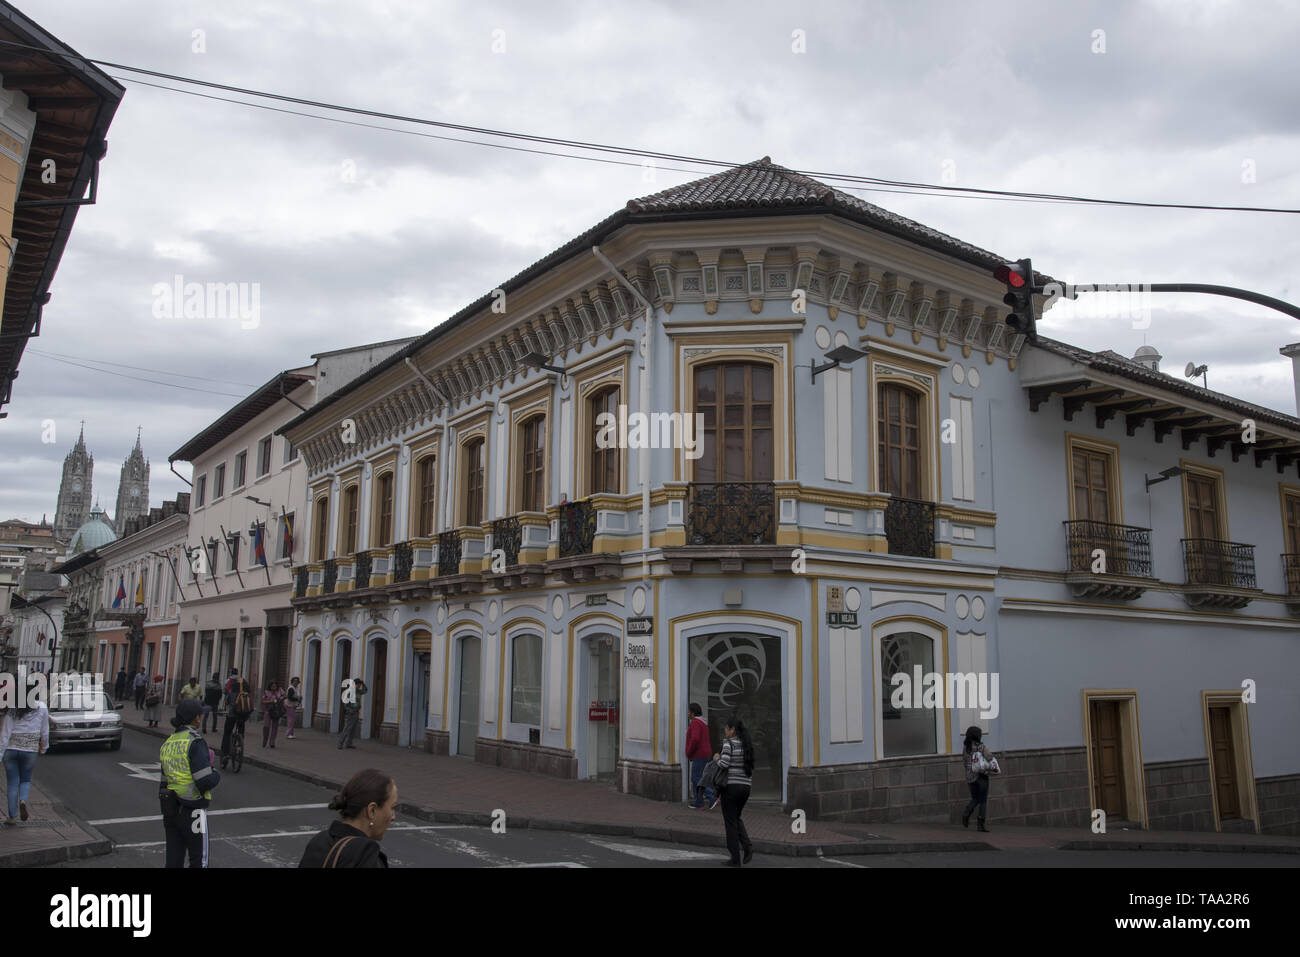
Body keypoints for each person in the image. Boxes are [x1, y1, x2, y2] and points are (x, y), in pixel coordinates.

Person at [158, 699, 221, 867]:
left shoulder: (168, 742)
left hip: (170, 808)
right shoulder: (195, 741)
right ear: (197, 718)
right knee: (199, 859)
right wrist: (215, 773)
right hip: (193, 810)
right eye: (200, 715)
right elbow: (205, 780)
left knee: (173, 860)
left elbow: (164, 782)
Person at [298, 768, 396, 868]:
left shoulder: (319, 841)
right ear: (372, 810)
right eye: (392, 807)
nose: (393, 816)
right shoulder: (365, 855)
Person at [0, 676, 49, 825]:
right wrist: (45, 747)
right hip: (30, 750)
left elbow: (5, 734)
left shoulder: (13, 709)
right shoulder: (42, 707)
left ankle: (12, 816)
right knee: (26, 780)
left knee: (12, 783)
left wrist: (0, 754)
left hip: (11, 749)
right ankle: (23, 801)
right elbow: (45, 731)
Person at [714, 715, 754, 866]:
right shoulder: (747, 745)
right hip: (746, 787)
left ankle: (735, 858)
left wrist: (716, 758)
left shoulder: (728, 743)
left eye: (726, 728)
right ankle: (748, 847)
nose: (725, 731)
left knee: (730, 822)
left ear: (732, 730)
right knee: (736, 818)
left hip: (731, 787)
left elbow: (724, 763)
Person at [961, 725, 999, 833]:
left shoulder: (965, 748)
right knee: (983, 800)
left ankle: (967, 812)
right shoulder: (980, 746)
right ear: (977, 736)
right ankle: (980, 824)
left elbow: (964, 762)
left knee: (975, 798)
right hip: (981, 776)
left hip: (969, 777)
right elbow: (989, 757)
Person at [220, 669, 253, 764]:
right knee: (241, 728)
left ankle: (225, 753)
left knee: (227, 732)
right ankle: (240, 744)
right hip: (244, 713)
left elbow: (227, 699)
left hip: (233, 713)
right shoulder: (244, 683)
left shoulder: (231, 684)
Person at [685, 702, 714, 809]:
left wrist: (689, 752)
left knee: (696, 778)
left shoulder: (695, 723)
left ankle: (711, 796)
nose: (687, 713)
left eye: (689, 711)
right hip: (705, 754)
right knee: (700, 778)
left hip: (699, 754)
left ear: (692, 713)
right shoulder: (702, 722)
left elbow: (695, 739)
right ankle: (699, 802)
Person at [337, 677, 367, 750]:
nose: (359, 686)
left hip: (356, 712)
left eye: (360, 685)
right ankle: (340, 743)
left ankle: (349, 743)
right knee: (347, 729)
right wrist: (349, 710)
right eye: (358, 684)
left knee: (353, 730)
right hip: (350, 713)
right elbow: (345, 703)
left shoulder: (358, 691)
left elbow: (365, 691)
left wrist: (363, 684)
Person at [261, 681, 285, 748]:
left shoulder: (280, 690)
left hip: (276, 711)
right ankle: (265, 739)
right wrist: (270, 701)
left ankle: (272, 742)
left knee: (275, 727)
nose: (274, 688)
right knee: (266, 726)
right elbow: (262, 701)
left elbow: (285, 695)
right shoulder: (266, 692)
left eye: (275, 686)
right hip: (268, 711)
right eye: (272, 686)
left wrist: (281, 698)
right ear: (270, 686)